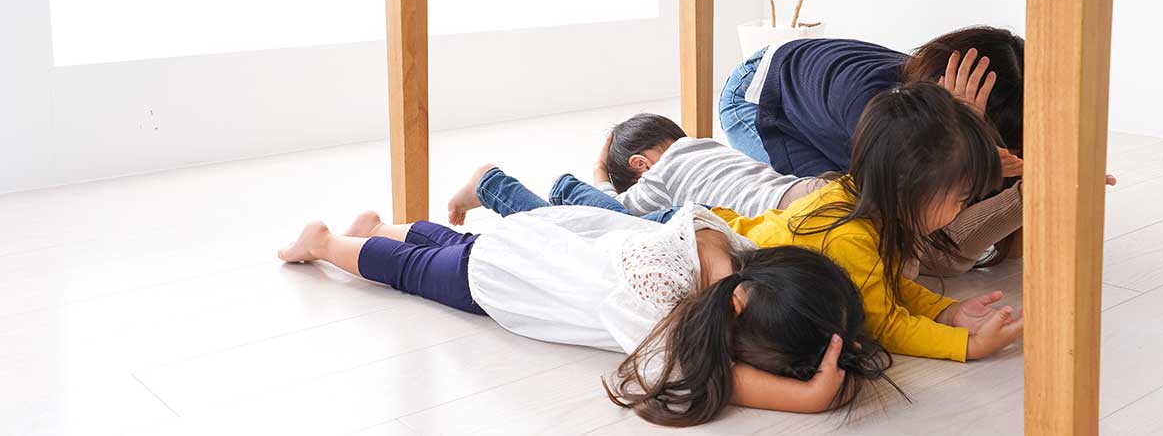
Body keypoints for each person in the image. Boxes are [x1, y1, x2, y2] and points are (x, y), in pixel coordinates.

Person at [276, 204, 893, 426]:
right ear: (736, 314)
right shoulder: (660, 308)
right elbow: (704, 373)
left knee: (453, 244)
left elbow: (705, 226)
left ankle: (381, 226)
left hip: (536, 243)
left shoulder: (732, 263)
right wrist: (804, 399)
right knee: (419, 273)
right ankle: (328, 243)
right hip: (513, 280)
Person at [720, 26, 1113, 275]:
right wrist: (962, 136)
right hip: (758, 98)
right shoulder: (876, 108)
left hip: (817, 80)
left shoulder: (919, 106)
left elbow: (989, 245)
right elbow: (932, 252)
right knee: (855, 217)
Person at [715, 82, 1025, 362]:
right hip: (716, 255)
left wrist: (947, 311)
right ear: (911, 185)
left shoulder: (870, 206)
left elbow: (888, 286)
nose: (962, 208)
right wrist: (967, 346)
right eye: (961, 198)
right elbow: (885, 325)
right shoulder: (846, 236)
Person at [447, 112, 823, 226]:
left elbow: (619, 213)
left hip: (782, 216)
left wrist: (598, 174)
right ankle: (491, 185)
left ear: (640, 165)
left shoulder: (660, 175)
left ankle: (491, 184)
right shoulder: (709, 147)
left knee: (609, 225)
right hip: (802, 190)